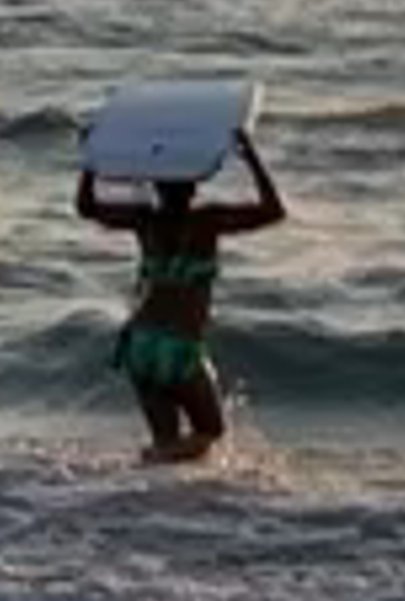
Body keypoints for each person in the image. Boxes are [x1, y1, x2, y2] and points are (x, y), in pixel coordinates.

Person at [74, 127, 285, 458]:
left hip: (140, 343)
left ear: (157, 186)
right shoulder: (207, 221)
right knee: (210, 431)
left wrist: (91, 159)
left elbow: (86, 206)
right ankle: (149, 464)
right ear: (194, 186)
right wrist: (251, 158)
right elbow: (274, 212)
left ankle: (155, 496)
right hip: (178, 346)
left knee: (167, 443)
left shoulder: (145, 220)